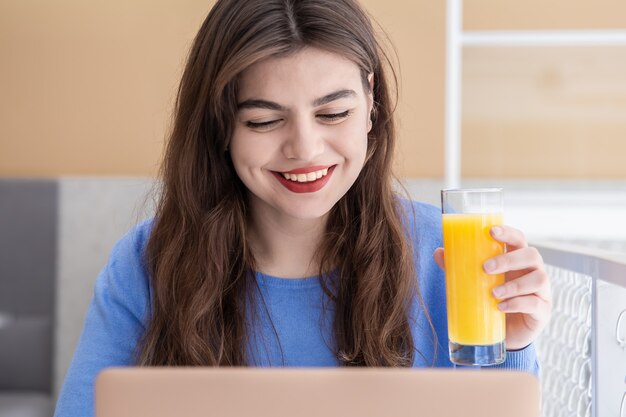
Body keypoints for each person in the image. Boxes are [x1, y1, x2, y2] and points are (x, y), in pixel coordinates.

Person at [54, 0, 552, 415]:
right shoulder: (144, 263)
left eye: (333, 112)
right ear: (219, 125)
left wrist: (508, 349)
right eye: (264, 121)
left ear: (371, 102)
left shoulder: (449, 256)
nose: (306, 149)